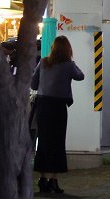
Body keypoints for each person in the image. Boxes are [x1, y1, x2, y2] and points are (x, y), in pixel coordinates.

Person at [31, 35, 85, 194]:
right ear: (68, 49)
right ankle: (53, 180)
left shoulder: (43, 62)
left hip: (43, 106)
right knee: (57, 143)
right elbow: (80, 76)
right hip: (58, 107)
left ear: (53, 48)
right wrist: (72, 63)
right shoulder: (69, 65)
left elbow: (33, 84)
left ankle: (42, 179)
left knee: (43, 142)